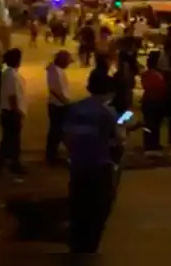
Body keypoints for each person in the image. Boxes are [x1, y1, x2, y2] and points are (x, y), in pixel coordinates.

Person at [63, 71, 125, 254]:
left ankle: (76, 243)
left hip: (78, 165)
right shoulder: (108, 112)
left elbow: (66, 137)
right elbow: (118, 138)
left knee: (78, 206)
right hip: (100, 166)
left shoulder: (75, 108)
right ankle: (89, 248)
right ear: (109, 92)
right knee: (98, 209)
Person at [0, 48, 27, 176]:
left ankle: (4, 164)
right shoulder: (11, 74)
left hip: (10, 112)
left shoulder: (9, 73)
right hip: (11, 112)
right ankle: (10, 164)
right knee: (11, 140)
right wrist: (17, 111)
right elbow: (12, 95)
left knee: (9, 140)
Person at [46, 50, 73, 164]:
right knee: (56, 131)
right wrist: (66, 102)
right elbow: (55, 90)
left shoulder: (58, 70)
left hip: (61, 103)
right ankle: (51, 155)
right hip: (57, 105)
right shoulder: (54, 71)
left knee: (58, 130)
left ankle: (53, 153)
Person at [140, 50, 167, 153]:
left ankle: (151, 143)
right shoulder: (156, 74)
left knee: (151, 124)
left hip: (150, 100)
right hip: (154, 101)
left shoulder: (148, 73)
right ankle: (151, 144)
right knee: (153, 124)